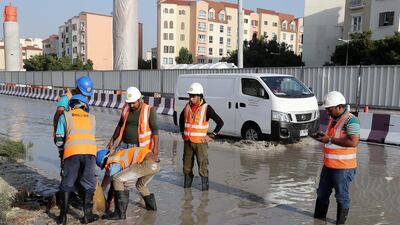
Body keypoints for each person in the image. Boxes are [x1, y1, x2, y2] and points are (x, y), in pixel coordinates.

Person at [102, 86, 159, 211]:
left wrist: (155, 152)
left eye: (133, 102)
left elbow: (155, 132)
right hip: (123, 145)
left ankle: (143, 203)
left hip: (139, 148)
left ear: (140, 99)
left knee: (134, 177)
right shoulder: (126, 108)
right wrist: (112, 140)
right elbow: (120, 125)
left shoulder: (149, 110)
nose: (131, 105)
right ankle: (109, 202)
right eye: (129, 103)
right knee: (114, 172)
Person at [313, 91, 360, 225]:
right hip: (328, 166)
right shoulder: (332, 119)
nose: (327, 112)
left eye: (330, 109)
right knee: (322, 194)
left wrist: (330, 139)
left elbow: (353, 142)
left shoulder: (351, 120)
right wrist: (322, 138)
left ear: (339, 107)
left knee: (341, 197)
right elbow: (331, 141)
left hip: (343, 168)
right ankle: (318, 220)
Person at [54, 94, 99, 225]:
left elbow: (59, 140)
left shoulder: (65, 116)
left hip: (72, 153)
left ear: (71, 105)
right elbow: (92, 135)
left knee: (67, 183)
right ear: (84, 106)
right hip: (90, 153)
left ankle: (63, 218)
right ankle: (87, 216)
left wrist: (62, 153)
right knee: (88, 183)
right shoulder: (92, 118)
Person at [179, 82, 224, 191]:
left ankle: (205, 192)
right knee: (186, 167)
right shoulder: (187, 106)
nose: (191, 98)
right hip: (188, 142)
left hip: (200, 143)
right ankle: (187, 191)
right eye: (190, 95)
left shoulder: (206, 108)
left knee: (202, 167)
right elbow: (181, 119)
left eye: (193, 96)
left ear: (199, 96)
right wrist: (182, 133)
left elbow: (220, 122)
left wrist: (212, 135)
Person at [96, 146, 160, 220]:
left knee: (117, 179)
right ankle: (152, 208)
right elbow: (106, 179)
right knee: (140, 185)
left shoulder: (114, 161)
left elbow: (113, 182)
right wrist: (101, 190)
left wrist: (108, 202)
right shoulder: (118, 155)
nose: (106, 168)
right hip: (156, 164)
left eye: (104, 166)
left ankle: (119, 214)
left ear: (105, 159)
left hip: (147, 163)